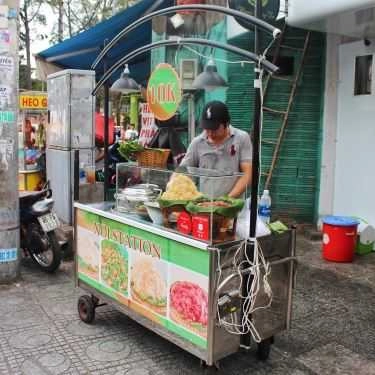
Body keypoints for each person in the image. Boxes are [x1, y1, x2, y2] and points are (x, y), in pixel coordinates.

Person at [180, 100, 252, 198]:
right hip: (205, 207)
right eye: (207, 128)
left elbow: (247, 174)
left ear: (226, 123)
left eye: (214, 129)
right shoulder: (197, 142)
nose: (210, 133)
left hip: (233, 207)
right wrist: (173, 186)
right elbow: (182, 171)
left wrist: (227, 200)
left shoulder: (241, 138)